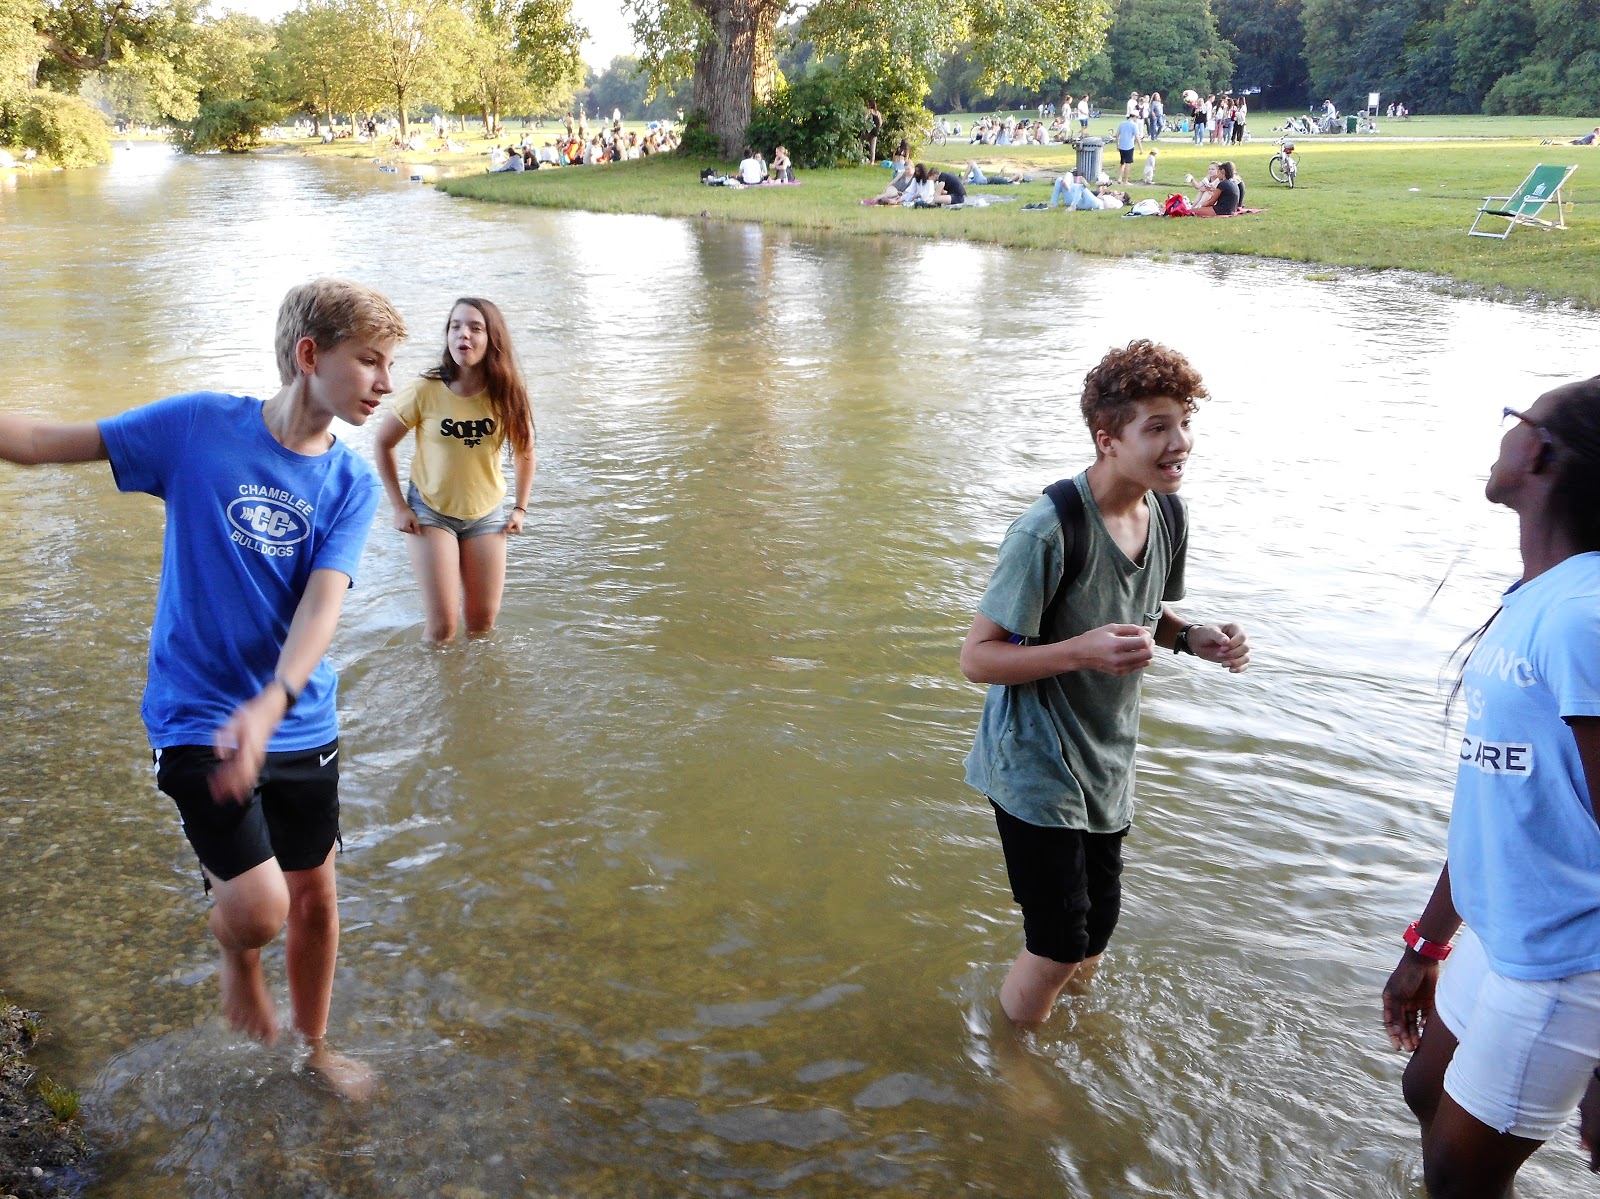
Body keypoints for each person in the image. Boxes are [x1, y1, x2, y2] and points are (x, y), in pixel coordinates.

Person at [0, 279, 406, 1097]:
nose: (386, 383)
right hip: (196, 718)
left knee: (316, 899)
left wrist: (273, 701)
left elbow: (322, 607)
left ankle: (314, 1048)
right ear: (309, 355)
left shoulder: (351, 485)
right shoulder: (195, 430)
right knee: (261, 911)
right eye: (369, 361)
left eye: (388, 364)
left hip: (295, 718)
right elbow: (43, 441)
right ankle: (235, 954)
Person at [960, 341, 1250, 1026]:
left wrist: (1192, 638)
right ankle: (1013, 1061)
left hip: (1106, 761)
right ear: (1106, 437)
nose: (1180, 442)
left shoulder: (1167, 513)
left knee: (1098, 932)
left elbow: (1148, 614)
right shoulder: (1048, 530)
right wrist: (1081, 652)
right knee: (1059, 944)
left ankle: (1063, 1025)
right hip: (1033, 762)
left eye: (1184, 421)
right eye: (1157, 426)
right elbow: (977, 658)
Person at [1381, 378, 1600, 1198]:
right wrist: (1429, 941)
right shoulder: (1535, 600)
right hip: (1505, 935)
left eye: (1517, 421)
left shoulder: (1584, 616)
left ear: (1540, 452)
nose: (1505, 436)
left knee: (1459, 1177)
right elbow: (1500, 798)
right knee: (1423, 1091)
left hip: (1568, 961)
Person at [374, 299, 536, 642]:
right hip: (430, 511)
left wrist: (520, 507)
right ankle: (435, 691)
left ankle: (475, 694)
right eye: (455, 326)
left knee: (482, 625)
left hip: (487, 514)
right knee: (443, 627)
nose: (464, 334)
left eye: (475, 328)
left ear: (493, 339)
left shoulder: (507, 393)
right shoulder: (425, 389)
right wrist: (399, 507)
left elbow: (525, 451)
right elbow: (383, 444)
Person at [1115, 112, 1140, 184]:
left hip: (1121, 146)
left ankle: (1119, 178)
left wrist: (1117, 145)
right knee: (1128, 163)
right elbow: (1137, 137)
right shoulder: (1134, 125)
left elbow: (1117, 135)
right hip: (1129, 146)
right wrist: (1141, 148)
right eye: (1137, 117)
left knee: (1122, 163)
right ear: (1134, 117)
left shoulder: (1122, 123)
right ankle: (1125, 180)